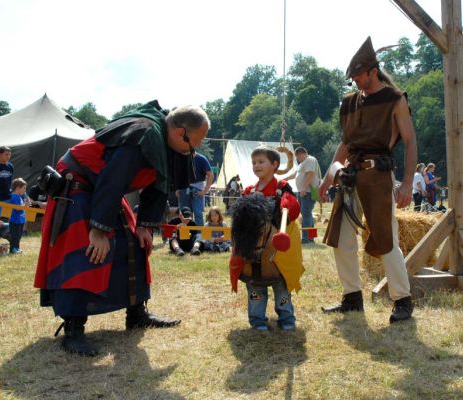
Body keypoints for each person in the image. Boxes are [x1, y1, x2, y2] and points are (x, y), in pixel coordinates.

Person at [34, 101, 210, 356]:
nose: (196, 148)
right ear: (180, 132)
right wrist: (97, 230)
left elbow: (158, 185)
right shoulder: (143, 133)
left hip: (104, 189)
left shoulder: (165, 140)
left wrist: (144, 226)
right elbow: (112, 177)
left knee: (135, 243)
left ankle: (137, 314)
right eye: (195, 141)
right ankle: (73, 329)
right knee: (86, 253)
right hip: (79, 186)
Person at [318, 36, 417, 323]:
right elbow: (345, 143)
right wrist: (329, 174)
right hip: (349, 175)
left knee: (387, 237)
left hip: (379, 176)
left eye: (358, 76)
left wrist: (408, 183)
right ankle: (351, 297)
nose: (355, 82)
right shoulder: (350, 102)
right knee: (342, 238)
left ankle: (402, 300)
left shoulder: (394, 99)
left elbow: (410, 142)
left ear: (373, 71)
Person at [229, 146, 303, 331]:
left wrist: (287, 203)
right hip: (253, 249)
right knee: (255, 285)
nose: (256, 166)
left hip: (277, 249)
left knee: (281, 285)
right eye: (254, 162)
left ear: (274, 165)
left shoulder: (282, 187)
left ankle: (287, 318)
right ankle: (257, 320)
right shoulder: (249, 190)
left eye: (261, 162)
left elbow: (292, 210)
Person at [177, 152, 213, 226]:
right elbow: (178, 174)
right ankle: (186, 235)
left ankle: (199, 235)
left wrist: (205, 191)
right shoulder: (181, 158)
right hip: (184, 189)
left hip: (197, 189)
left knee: (198, 213)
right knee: (185, 214)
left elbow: (210, 175)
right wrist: (177, 188)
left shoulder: (201, 159)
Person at [7, 178, 29, 254]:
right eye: (24, 188)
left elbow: (22, 207)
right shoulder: (14, 197)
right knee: (14, 236)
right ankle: (13, 249)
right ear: (18, 188)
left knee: (19, 235)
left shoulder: (19, 197)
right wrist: (25, 205)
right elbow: (17, 208)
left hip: (20, 220)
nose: (25, 190)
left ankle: (17, 248)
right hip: (14, 220)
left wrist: (26, 205)